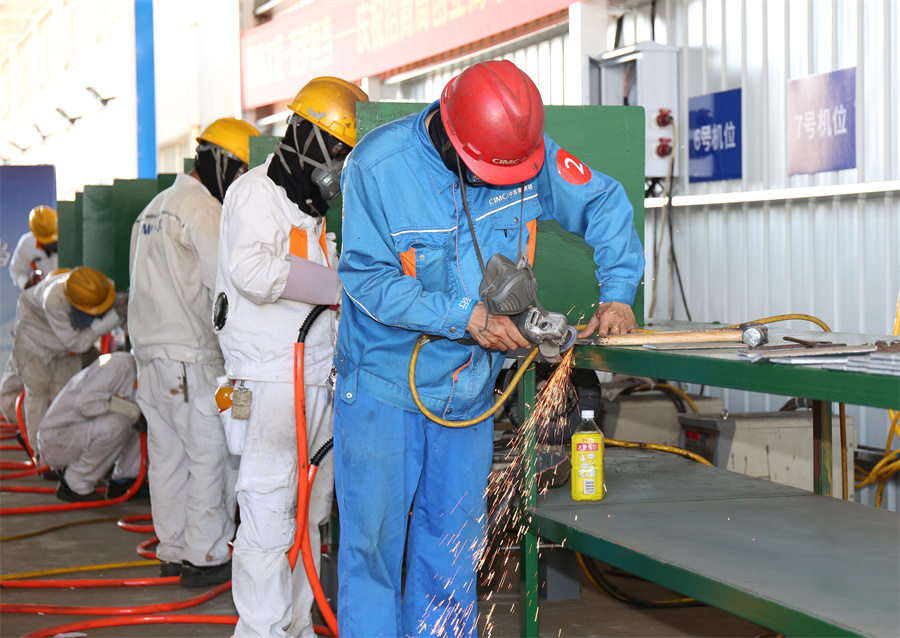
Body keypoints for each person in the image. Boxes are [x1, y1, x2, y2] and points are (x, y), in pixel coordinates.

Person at [334, 60, 645, 636]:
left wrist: (619, 294)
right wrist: (466, 317)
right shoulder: (378, 166)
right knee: (372, 552)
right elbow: (368, 278)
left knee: (452, 550)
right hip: (384, 389)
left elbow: (603, 201)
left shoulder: (526, 153)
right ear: (454, 138)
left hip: (469, 394)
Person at [214, 77, 367, 637]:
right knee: (269, 514)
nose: (341, 169)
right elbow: (253, 272)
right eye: (339, 153)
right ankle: (263, 630)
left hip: (312, 378)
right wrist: (337, 286)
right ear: (307, 138)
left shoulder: (309, 210)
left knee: (310, 515)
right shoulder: (255, 193)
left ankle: (296, 626)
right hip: (267, 380)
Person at [128, 117, 258, 587]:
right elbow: (226, 291)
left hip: (152, 361)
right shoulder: (204, 211)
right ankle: (205, 555)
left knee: (167, 457)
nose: (240, 183)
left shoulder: (153, 208)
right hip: (196, 361)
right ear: (219, 161)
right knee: (211, 453)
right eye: (239, 171)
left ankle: (174, 548)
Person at [12, 266, 120, 450]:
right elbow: (75, 343)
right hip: (33, 342)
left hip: (65, 346)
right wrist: (100, 328)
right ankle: (40, 451)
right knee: (38, 393)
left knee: (66, 394)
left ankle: (66, 448)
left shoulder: (102, 287)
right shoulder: (53, 300)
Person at [37, 352, 144, 502]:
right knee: (118, 425)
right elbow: (86, 404)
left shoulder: (146, 375)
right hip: (58, 438)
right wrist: (131, 410)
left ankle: (124, 480)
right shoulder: (119, 364)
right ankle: (75, 483)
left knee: (143, 421)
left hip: (81, 433)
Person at [9, 205, 59, 290]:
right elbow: (17, 271)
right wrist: (27, 285)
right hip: (41, 293)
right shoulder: (27, 243)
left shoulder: (73, 239)